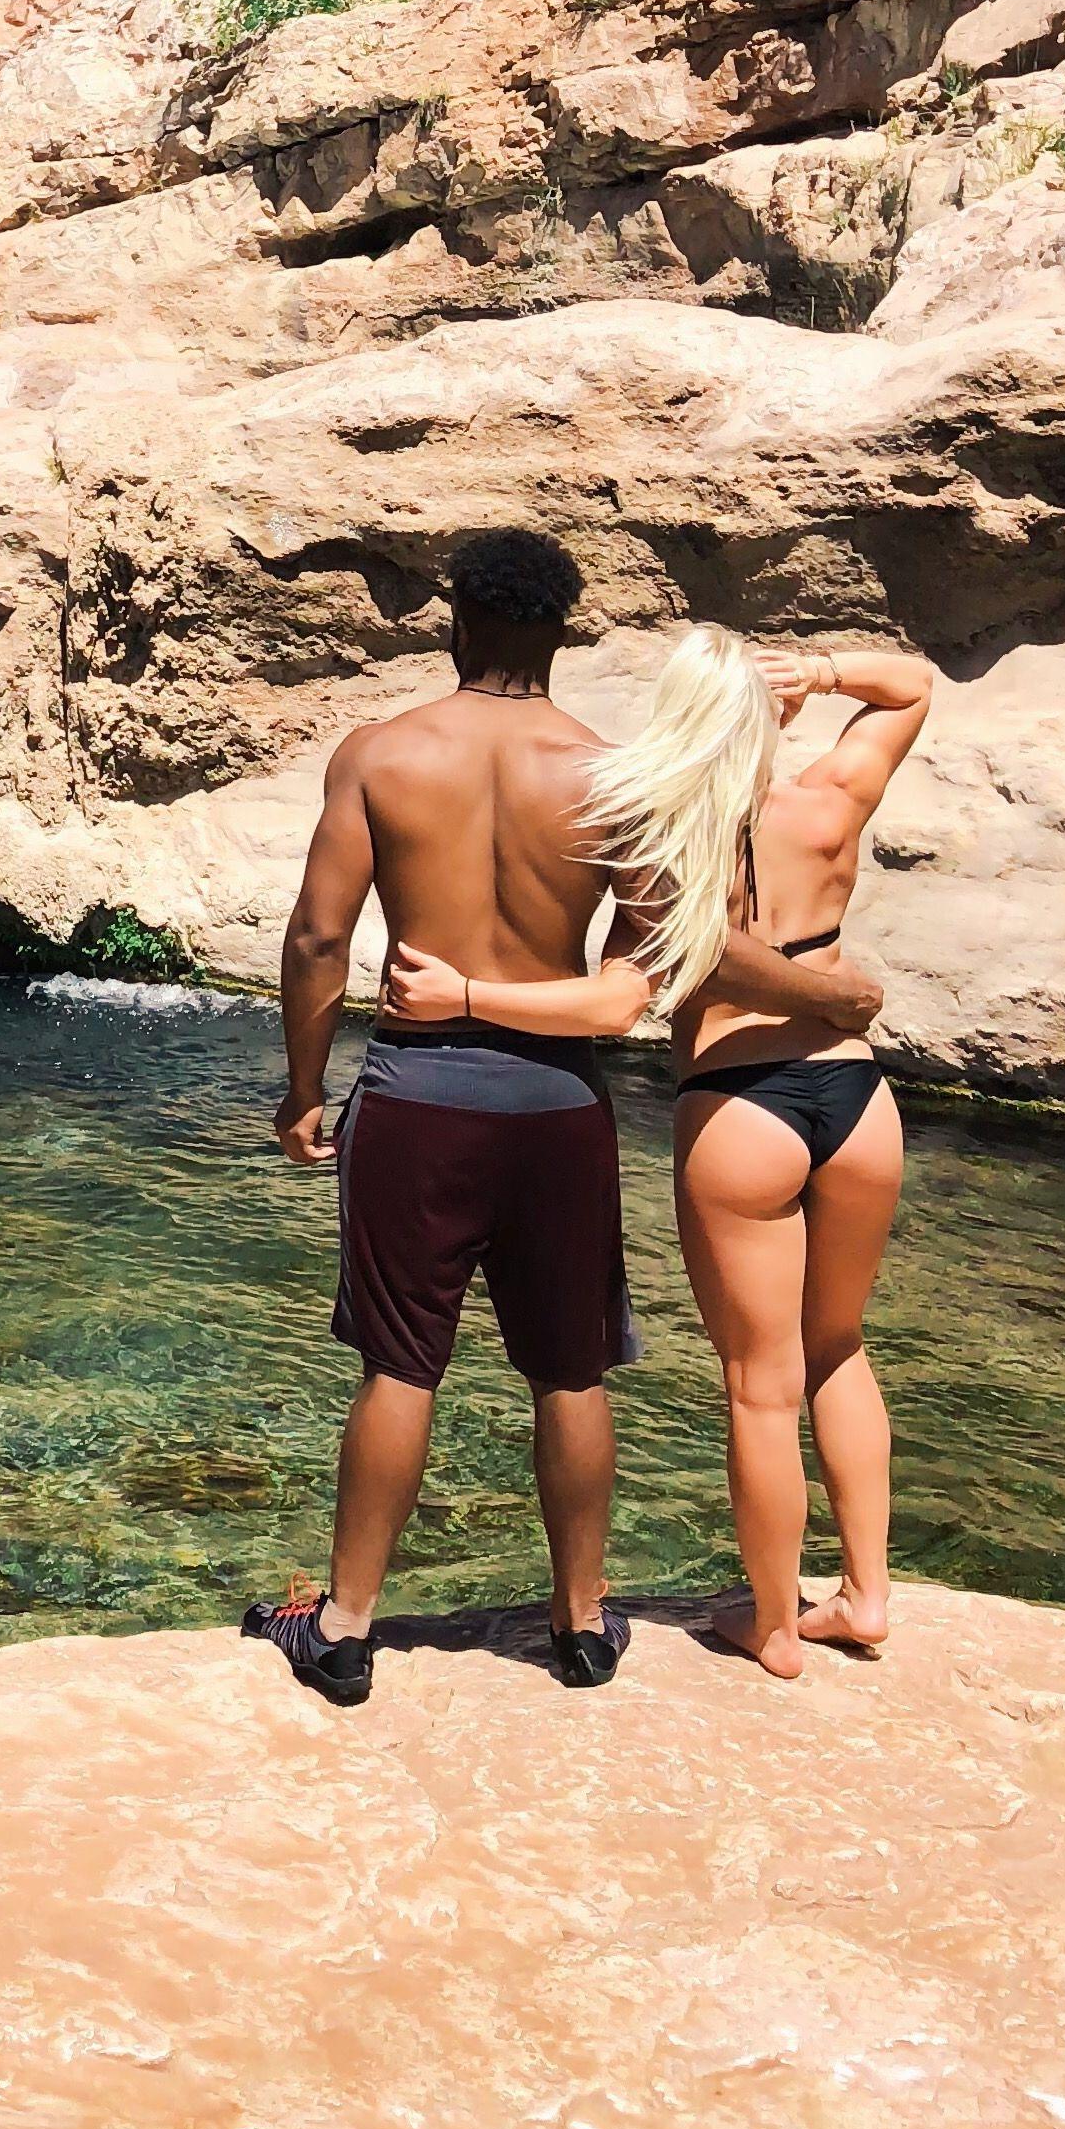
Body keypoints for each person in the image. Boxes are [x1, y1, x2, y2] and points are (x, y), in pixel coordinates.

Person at [249, 534, 884, 1711]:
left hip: (419, 1092)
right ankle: (583, 1624)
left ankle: (340, 1631)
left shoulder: (382, 756)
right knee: (570, 1371)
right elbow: (642, 983)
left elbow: (317, 940)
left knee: (400, 1365)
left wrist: (302, 1090)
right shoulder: (608, 777)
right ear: (563, 636)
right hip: (556, 1102)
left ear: (455, 625)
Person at [377, 625, 936, 1678]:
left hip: (741, 1105)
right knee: (840, 1350)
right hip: (859, 1099)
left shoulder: (661, 837)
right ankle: (864, 1596)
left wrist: (461, 997)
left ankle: (773, 1626)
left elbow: (629, 994)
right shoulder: (829, 803)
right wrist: (817, 670)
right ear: (772, 711)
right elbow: (911, 688)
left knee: (758, 1385)